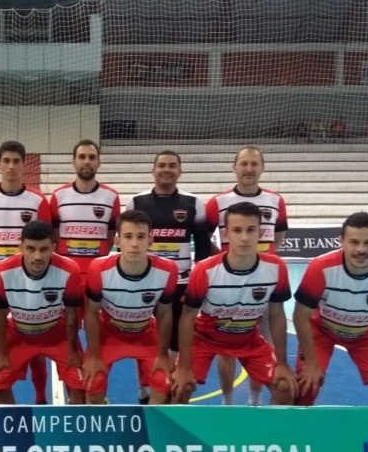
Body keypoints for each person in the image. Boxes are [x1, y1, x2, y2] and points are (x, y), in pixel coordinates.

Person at [170, 202, 297, 406]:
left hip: (249, 338)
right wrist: (184, 367)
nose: (244, 237)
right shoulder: (205, 270)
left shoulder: (276, 267)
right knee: (178, 390)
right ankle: (180, 437)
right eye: (237, 230)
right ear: (226, 234)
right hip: (205, 338)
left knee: (285, 388)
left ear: (260, 233)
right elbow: (187, 318)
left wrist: (282, 363)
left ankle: (270, 437)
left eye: (250, 230)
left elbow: (276, 315)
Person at [293, 212, 368, 406]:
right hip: (321, 331)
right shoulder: (319, 267)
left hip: (366, 334)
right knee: (306, 386)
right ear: (341, 241)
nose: (361, 249)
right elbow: (300, 316)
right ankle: (297, 435)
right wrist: (311, 362)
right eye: (354, 242)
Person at [125, 150, 212, 403]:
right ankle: (144, 391)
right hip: (145, 284)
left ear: (179, 171)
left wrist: (196, 283)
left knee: (174, 340)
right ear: (153, 170)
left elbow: (204, 248)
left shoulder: (192, 202)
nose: (166, 169)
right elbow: (127, 245)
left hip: (181, 285)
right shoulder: (137, 202)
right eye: (161, 165)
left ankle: (168, 386)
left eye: (172, 166)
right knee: (142, 338)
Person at [0, 140, 52, 404]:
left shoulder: (38, 200)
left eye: (17, 161)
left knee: (36, 342)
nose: (11, 166)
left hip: (31, 282)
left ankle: (40, 397)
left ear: (24, 165)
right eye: (6, 161)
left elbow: (45, 241)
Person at [205, 146, 288, 406]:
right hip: (226, 289)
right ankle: (228, 402)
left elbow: (279, 238)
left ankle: (255, 399)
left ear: (262, 167)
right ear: (234, 167)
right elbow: (204, 237)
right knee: (225, 348)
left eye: (254, 164)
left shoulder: (276, 201)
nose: (249, 169)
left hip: (263, 288)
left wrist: (262, 264)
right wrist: (224, 262)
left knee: (265, 345)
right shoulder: (217, 203)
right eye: (244, 164)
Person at [82, 210, 179, 405]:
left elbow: (165, 313)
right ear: (117, 241)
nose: (134, 243)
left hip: (145, 334)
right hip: (108, 335)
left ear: (150, 240)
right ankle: (102, 428)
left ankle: (149, 432)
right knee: (92, 385)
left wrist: (163, 354)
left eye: (141, 236)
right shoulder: (98, 268)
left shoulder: (168, 269)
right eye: (128, 236)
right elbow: (91, 313)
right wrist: (93, 356)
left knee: (165, 385)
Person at [0, 221, 86, 404]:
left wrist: (73, 351)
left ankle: (73, 428)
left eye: (44, 249)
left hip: (56, 333)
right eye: (31, 249)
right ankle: (15, 426)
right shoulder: (2, 271)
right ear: (20, 247)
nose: (37, 256)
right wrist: (1, 352)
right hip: (18, 333)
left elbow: (72, 314)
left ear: (53, 248)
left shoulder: (69, 269)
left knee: (81, 386)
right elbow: (0, 315)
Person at [50, 139, 121, 288]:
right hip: (65, 274)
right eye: (82, 157)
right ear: (73, 161)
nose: (87, 161)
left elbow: (110, 235)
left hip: (97, 274)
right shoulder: (58, 196)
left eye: (92, 157)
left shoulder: (111, 197)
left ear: (98, 162)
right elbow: (54, 236)